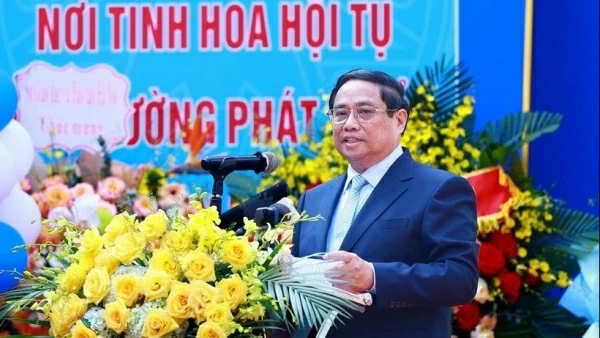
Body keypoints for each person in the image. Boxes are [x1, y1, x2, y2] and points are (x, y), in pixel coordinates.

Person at [290, 69, 479, 337]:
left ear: (399, 119)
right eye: (340, 113)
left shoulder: (439, 189)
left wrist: (374, 277)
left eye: (365, 112)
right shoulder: (314, 198)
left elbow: (460, 279)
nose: (350, 124)